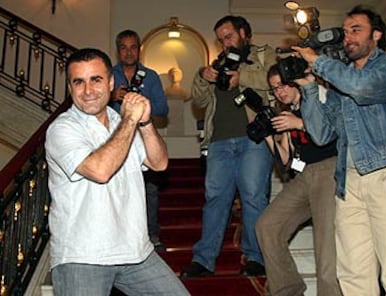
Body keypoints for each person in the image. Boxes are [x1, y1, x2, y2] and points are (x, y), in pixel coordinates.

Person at [45, 48, 189, 295]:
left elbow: (159, 162)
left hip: (135, 252)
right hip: (82, 255)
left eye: (96, 79)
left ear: (111, 83)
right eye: (78, 82)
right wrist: (130, 121)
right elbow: (100, 171)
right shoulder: (62, 129)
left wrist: (144, 122)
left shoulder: (120, 120)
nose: (88, 91)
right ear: (70, 88)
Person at [293, 5, 386, 295]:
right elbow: (322, 135)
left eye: (356, 30)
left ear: (377, 34)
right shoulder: (340, 81)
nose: (347, 37)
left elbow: (364, 87)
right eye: (345, 32)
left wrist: (319, 62)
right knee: (353, 275)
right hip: (348, 183)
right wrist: (309, 87)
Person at [180, 15, 276, 278]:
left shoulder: (264, 54)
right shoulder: (218, 64)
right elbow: (198, 100)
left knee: (253, 198)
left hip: (254, 139)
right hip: (218, 142)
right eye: (221, 40)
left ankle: (256, 258)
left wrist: (241, 76)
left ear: (244, 33)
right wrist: (202, 75)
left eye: (229, 36)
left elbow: (273, 80)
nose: (225, 44)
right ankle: (204, 260)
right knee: (214, 200)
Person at [255, 64, 342, 296]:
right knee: (267, 226)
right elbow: (285, 161)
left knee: (326, 247)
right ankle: (288, 290)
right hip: (303, 175)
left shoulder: (318, 97)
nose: (279, 92)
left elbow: (329, 132)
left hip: (328, 169)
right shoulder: (286, 113)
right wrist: (267, 137)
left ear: (294, 81)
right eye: (274, 89)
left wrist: (299, 123)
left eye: (283, 85)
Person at [110, 29, 168, 252]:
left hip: (143, 138)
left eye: (133, 47)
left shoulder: (151, 76)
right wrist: (112, 96)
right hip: (114, 139)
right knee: (115, 189)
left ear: (139, 49)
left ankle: (151, 236)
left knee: (150, 190)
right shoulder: (108, 74)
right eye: (123, 47)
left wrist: (141, 101)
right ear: (118, 50)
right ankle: (120, 238)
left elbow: (163, 109)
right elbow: (94, 105)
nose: (128, 52)